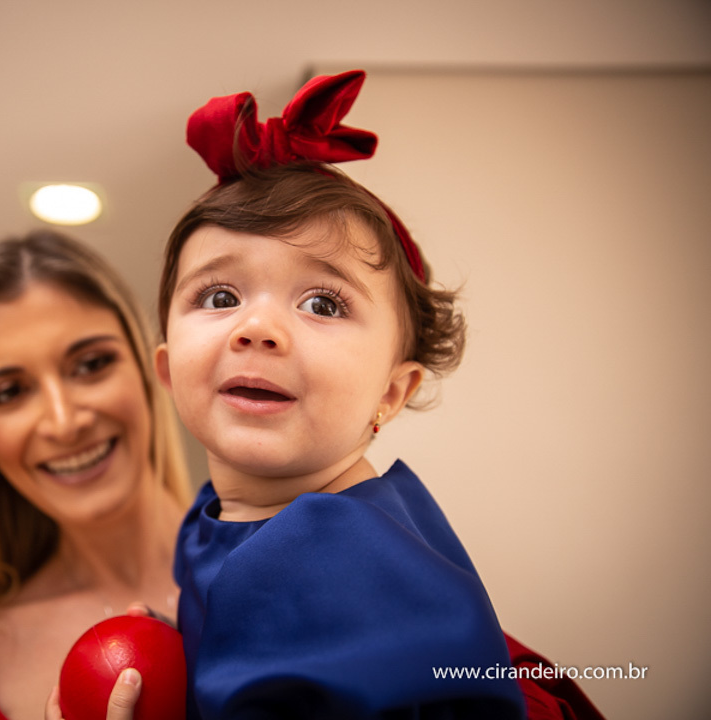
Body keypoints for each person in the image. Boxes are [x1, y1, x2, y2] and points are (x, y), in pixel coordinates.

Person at [154, 70, 603, 719]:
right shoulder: (217, 515)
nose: (257, 328)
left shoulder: (339, 557)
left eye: (322, 303)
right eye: (220, 296)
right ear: (169, 371)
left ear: (391, 393)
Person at [0, 230, 191, 720]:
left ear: (147, 365)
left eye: (91, 364)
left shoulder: (295, 571)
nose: (64, 422)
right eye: (8, 392)